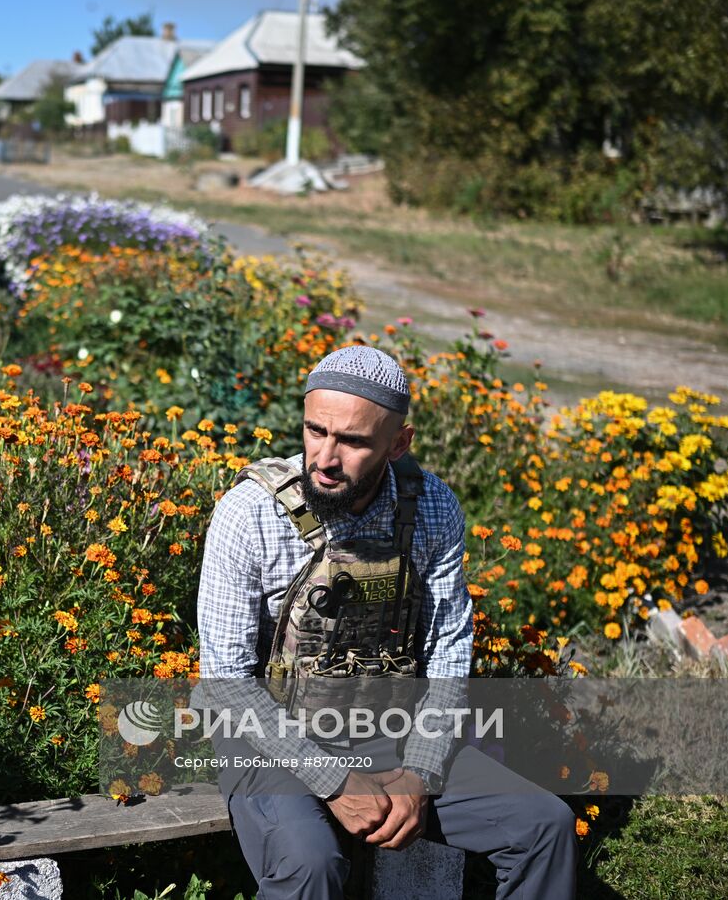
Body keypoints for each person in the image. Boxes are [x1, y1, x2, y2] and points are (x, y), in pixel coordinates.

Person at [197, 345, 577, 899]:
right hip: (267, 742)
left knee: (545, 826)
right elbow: (227, 682)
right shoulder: (248, 512)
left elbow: (447, 648)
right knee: (310, 865)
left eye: (352, 441)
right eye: (315, 430)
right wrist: (332, 782)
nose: (325, 458)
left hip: (389, 733)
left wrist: (420, 772)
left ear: (399, 442)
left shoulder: (432, 508)